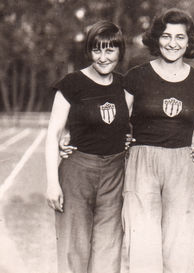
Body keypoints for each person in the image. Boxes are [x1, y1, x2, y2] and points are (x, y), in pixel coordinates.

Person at [121, 8, 194, 273]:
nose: (173, 43)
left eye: (180, 37)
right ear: (156, 38)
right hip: (142, 162)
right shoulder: (136, 77)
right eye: (166, 36)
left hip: (181, 162)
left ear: (189, 41)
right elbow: (116, 122)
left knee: (180, 244)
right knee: (143, 245)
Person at [45, 21, 129, 273]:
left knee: (109, 249)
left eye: (110, 50)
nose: (103, 58)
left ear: (120, 52)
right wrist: (52, 182)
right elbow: (53, 133)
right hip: (78, 171)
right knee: (73, 249)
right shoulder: (72, 83)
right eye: (97, 50)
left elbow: (137, 124)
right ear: (89, 52)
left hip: (115, 174)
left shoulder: (126, 86)